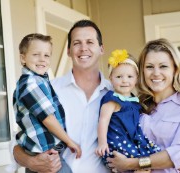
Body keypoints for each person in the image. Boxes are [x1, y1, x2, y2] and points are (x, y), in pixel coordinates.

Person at [11, 20, 112, 173]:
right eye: (77, 43)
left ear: (101, 49)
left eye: (90, 42)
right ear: (68, 50)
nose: (83, 48)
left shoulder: (115, 95)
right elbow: (17, 146)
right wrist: (32, 162)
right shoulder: (49, 89)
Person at [107, 38, 180, 173]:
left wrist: (132, 163)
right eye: (149, 67)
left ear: (175, 69)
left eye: (163, 66)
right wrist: (166, 160)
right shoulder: (133, 105)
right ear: (141, 71)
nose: (156, 73)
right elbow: (119, 147)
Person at [12, 33, 82, 173]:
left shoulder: (40, 81)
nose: (42, 59)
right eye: (36, 54)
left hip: (47, 152)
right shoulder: (31, 83)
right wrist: (69, 141)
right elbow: (48, 118)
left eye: (46, 55)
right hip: (45, 155)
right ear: (23, 58)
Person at [95, 49, 160, 173]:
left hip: (133, 139)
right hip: (119, 141)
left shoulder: (134, 101)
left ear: (136, 78)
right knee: (132, 159)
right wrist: (102, 143)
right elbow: (103, 121)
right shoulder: (111, 99)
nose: (124, 80)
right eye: (119, 76)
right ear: (111, 78)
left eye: (130, 76)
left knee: (154, 154)